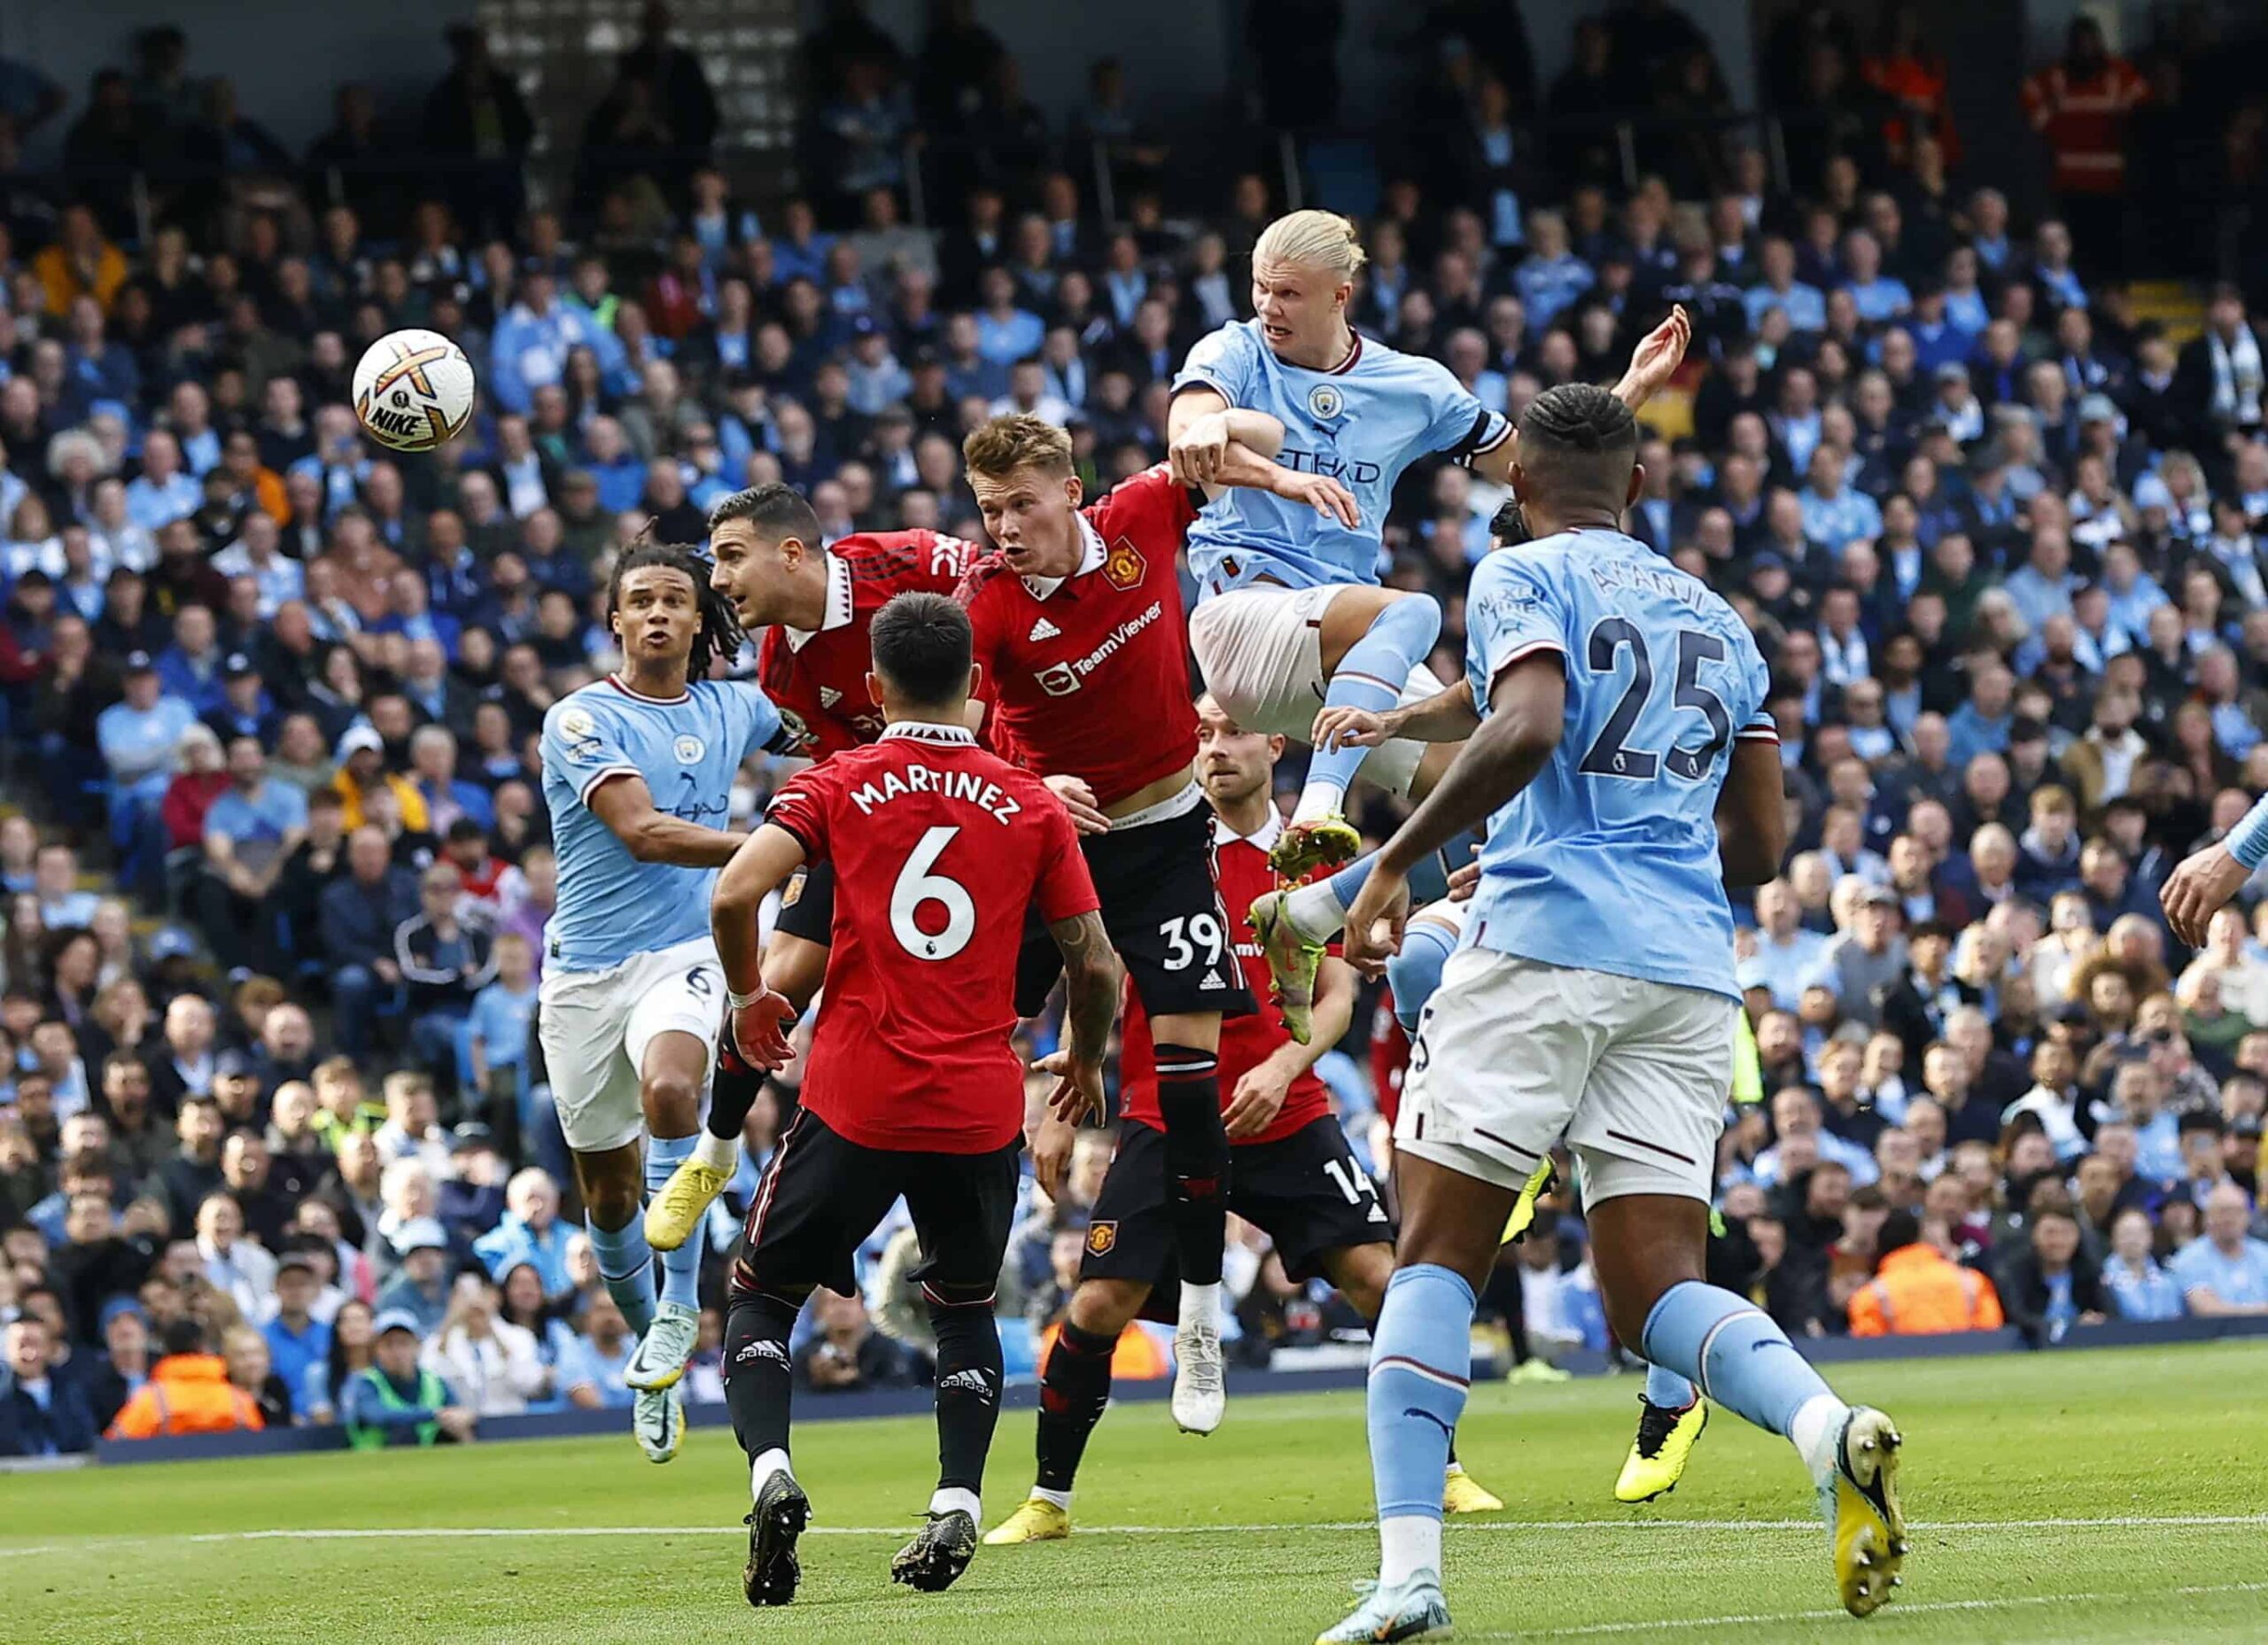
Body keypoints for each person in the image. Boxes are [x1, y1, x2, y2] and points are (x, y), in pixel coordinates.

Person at [1318, 383, 1907, 1641]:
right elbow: (1761, 840)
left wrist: (1392, 860)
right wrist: (1621, 841)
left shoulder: (1525, 576)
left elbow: (1526, 724)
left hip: (1539, 950)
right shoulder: (1722, 620)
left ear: (1515, 483)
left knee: (1432, 1255)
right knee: (1654, 1296)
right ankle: (1822, 1430)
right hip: (1687, 969)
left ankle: (1412, 1575)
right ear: (1639, 486)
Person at [984, 695, 1503, 1548]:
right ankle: (1049, 1499)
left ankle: (1442, 1470)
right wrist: (1068, 1096)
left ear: (1274, 741)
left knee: (1384, 1279)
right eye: (1198, 734)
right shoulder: (1149, 849)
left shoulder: (1310, 854)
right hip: (1164, 1114)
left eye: (1230, 732)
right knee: (1099, 1303)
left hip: (1287, 1111)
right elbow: (1096, 970)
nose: (1214, 749)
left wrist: (1284, 1063)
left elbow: (1336, 991)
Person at [708, 591, 1119, 1604]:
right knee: (965, 1309)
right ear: (977, 688)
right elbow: (1096, 963)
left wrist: (752, 997)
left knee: (761, 1294)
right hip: (976, 1108)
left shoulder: (838, 781)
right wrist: (1084, 1058)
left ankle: (772, 1475)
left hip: (857, 1096)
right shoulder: (1027, 803)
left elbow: (732, 893)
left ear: (878, 686)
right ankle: (957, 1503)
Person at [1168, 211, 1687, 881]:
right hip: (1245, 622)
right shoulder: (1232, 353)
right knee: (1410, 612)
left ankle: (1325, 914)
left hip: (1348, 654)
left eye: (1289, 292)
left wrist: (1632, 392)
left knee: (1489, 776)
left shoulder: (1412, 385)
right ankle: (1320, 807)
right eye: (1261, 288)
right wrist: (1266, 469)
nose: (1269, 306)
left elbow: (1537, 472)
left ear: (1340, 295)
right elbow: (1190, 433)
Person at [954, 414, 1270, 1433]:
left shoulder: (1139, 518)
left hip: (1169, 843)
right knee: (972, 1046)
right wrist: (1033, 783)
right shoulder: (988, 604)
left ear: (1071, 491)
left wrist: (1211, 422)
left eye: (1022, 505)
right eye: (988, 509)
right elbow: (948, 735)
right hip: (1048, 851)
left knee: (1188, 1093)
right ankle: (960, 1287)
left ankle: (1203, 1328)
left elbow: (1251, 427)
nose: (1005, 527)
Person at [643, 480, 987, 1246]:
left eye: (732, 558)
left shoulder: (913, 561)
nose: (721, 581)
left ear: (792, 552)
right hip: (893, 813)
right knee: (782, 971)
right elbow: (847, 771)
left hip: (1000, 800)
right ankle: (717, 1149)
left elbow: (1013, 613)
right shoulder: (780, 672)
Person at [535, 539, 797, 1465]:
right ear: (614, 620)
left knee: (673, 1094)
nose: (655, 613)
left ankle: (683, 1307)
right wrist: (778, 846)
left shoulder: (739, 707)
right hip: (582, 977)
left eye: (673, 601)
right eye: (638, 600)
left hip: (683, 955)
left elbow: (840, 731)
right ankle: (654, 1348)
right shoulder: (578, 719)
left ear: (698, 620)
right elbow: (642, 832)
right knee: (605, 1197)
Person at [341, 1309, 478, 1447]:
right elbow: (377, 1415)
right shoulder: (365, 1382)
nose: (397, 1352)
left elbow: (455, 1411)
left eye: (403, 1343)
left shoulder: (434, 1382)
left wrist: (462, 1418)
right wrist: (434, 1414)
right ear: (376, 1349)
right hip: (374, 1464)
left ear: (417, 1346)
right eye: (388, 1345)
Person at [0, 1315, 97, 1457]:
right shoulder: (3, 1396)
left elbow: (87, 1437)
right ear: (8, 1350)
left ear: (49, 1348)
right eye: (22, 1345)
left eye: (35, 1344)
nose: (29, 1354)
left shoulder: (73, 1389)